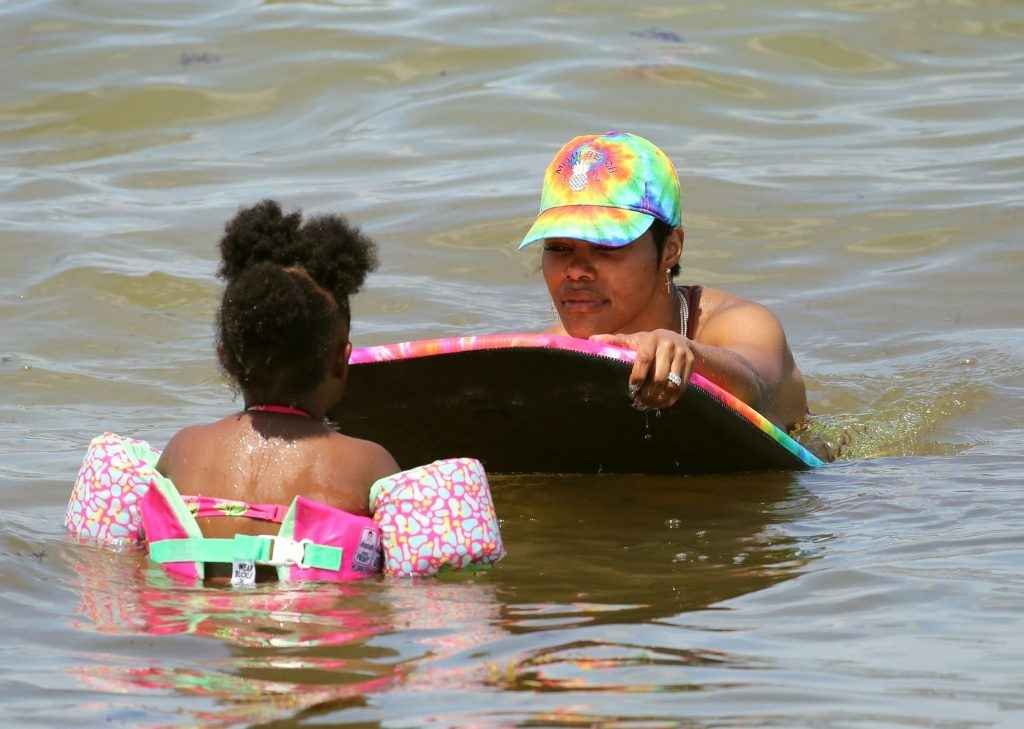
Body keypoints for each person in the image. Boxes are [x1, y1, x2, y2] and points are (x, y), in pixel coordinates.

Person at [519, 131, 808, 431]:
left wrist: (688, 354)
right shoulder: (554, 350)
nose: (576, 271)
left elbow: (758, 387)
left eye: (607, 246)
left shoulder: (740, 324)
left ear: (670, 249)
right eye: (558, 248)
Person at [156, 200, 400, 542]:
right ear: (339, 360)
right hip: (312, 594)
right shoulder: (370, 465)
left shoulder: (182, 450)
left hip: (190, 597)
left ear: (225, 358)